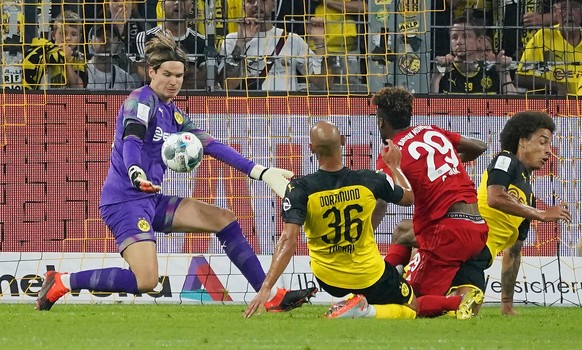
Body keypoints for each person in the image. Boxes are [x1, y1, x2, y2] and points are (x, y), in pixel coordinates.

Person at [36, 33, 316, 312]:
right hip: (124, 202)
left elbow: (211, 145)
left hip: (151, 200)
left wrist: (261, 171)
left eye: (179, 75)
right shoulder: (140, 101)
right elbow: (132, 139)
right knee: (146, 280)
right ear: (152, 72)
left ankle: (271, 296)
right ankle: (63, 281)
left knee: (224, 219)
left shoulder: (175, 115)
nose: (174, 82)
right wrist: (135, 173)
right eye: (167, 74)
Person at [244, 121, 484, 319]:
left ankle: (364, 296)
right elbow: (409, 197)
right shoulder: (370, 180)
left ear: (311, 148)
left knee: (402, 233)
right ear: (343, 143)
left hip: (328, 278)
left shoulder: (299, 189)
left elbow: (288, 241)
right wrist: (394, 166)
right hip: (370, 275)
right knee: (414, 304)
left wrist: (266, 288)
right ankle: (453, 302)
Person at [373, 86, 490, 318]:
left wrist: (364, 236)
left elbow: (400, 200)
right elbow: (480, 146)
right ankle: (387, 275)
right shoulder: (431, 131)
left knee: (405, 304)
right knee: (403, 231)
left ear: (380, 122)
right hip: (477, 227)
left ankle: (459, 302)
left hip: (447, 233)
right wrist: (451, 162)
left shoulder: (389, 155)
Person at [477, 111, 571, 315]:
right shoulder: (505, 159)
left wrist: (507, 305)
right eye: (542, 142)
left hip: (479, 259)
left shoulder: (527, 198)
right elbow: (495, 197)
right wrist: (541, 214)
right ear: (523, 142)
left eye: (549, 144)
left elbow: (514, 251)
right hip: (466, 242)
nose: (549, 151)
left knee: (461, 308)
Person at [218, 0, 331, 91]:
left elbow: (325, 84)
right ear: (243, 6)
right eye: (251, 1)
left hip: (284, 113)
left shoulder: (292, 40)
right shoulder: (232, 40)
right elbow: (228, 85)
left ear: (274, 5)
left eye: (263, 0)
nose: (257, 5)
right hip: (249, 112)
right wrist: (241, 43)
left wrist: (320, 42)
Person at [429, 17, 516, 94]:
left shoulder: (491, 71)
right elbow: (430, 108)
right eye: (454, 37)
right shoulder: (444, 72)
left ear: (478, 41)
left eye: (465, 36)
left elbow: (514, 106)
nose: (459, 42)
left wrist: (504, 72)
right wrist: (436, 75)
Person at [134, 0, 207, 89]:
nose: (178, 3)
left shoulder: (202, 41)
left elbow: (204, 79)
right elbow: (145, 75)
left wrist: (162, 71)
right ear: (162, 5)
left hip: (192, 101)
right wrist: (190, 70)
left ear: (191, 5)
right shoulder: (144, 38)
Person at [517, 0, 582, 95]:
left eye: (574, 7)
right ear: (555, 12)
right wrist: (555, 86)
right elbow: (520, 77)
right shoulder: (543, 37)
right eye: (563, 8)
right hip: (553, 104)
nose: (569, 13)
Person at [22, 10, 87, 89]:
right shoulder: (44, 52)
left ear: (79, 38)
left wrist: (65, 59)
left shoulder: (79, 59)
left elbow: (78, 87)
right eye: (63, 33)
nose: (68, 38)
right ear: (53, 35)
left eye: (73, 34)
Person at [86, 23, 137, 90]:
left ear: (118, 44)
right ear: (90, 43)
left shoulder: (126, 80)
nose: (106, 40)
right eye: (99, 35)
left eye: (111, 35)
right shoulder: (82, 72)